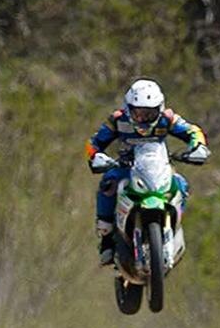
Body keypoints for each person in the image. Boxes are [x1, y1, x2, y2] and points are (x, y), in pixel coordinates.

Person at [85, 79, 210, 265]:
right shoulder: (117, 120)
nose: (143, 118)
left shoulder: (167, 118)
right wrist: (96, 157)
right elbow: (94, 143)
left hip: (158, 169)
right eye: (138, 113)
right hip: (126, 169)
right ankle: (106, 238)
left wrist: (198, 147)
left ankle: (174, 226)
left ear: (159, 109)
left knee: (182, 184)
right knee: (108, 184)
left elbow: (193, 131)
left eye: (149, 113)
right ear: (129, 109)